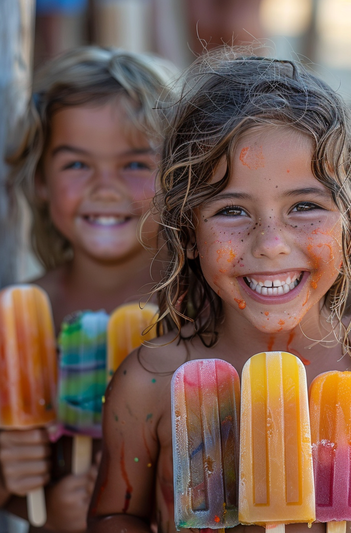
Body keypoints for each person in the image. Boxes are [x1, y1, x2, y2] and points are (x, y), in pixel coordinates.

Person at [87, 50, 351, 533]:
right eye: (231, 210)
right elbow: (113, 515)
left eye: (305, 206)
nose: (269, 244)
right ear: (187, 232)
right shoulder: (150, 382)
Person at [1, 46, 178, 532]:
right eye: (77, 165)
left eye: (135, 165)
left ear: (180, 177)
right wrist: (23, 488)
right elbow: (19, 496)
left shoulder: (206, 308)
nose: (105, 187)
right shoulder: (20, 316)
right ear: (40, 178)